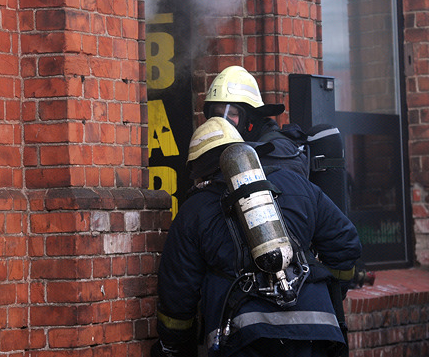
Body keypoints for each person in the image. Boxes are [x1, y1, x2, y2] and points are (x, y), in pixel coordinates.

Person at [153, 117, 362, 357]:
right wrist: (329, 288)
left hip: (245, 337)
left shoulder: (194, 210)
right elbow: (346, 245)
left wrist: (173, 346)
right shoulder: (298, 184)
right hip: (318, 330)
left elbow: (178, 291)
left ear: (200, 171)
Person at [202, 65, 310, 178]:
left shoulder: (277, 153)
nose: (223, 121)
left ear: (250, 118)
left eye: (232, 114)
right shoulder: (222, 150)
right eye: (218, 115)